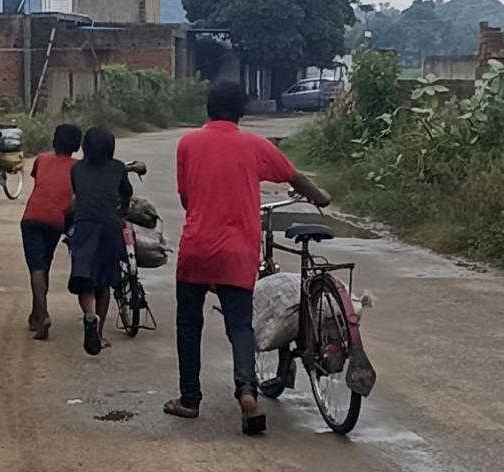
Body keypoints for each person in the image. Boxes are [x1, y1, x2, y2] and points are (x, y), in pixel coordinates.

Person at [164, 80, 331, 435]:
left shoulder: (188, 144)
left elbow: (186, 198)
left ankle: (189, 400)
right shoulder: (255, 145)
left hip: (197, 247)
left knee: (188, 324)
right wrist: (321, 198)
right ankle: (247, 393)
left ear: (208, 108)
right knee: (240, 325)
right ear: (241, 110)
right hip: (238, 251)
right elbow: (294, 176)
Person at [67, 127, 133, 356]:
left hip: (84, 226)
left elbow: (79, 195)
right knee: (103, 283)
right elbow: (126, 193)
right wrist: (123, 212)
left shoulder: (77, 169)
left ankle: (89, 315)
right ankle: (100, 333)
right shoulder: (118, 168)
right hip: (109, 227)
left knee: (84, 279)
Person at [21, 124, 83, 341]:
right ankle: (36, 314)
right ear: (77, 145)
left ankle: (43, 314)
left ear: (54, 141)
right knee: (43, 263)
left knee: (36, 267)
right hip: (58, 220)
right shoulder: (78, 167)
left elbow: (40, 182)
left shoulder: (41, 160)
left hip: (32, 216)